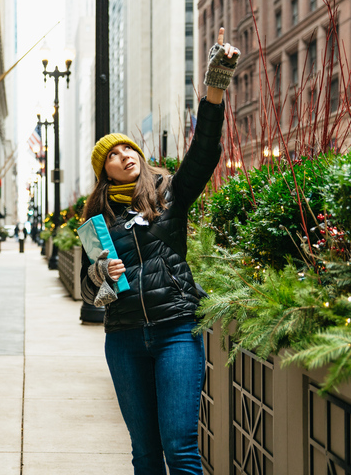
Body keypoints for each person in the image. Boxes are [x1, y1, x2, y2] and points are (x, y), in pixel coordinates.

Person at [79, 28, 239, 475]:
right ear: (104, 172)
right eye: (114, 154)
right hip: (124, 336)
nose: (126, 154)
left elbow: (203, 153)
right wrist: (98, 276)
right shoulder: (98, 222)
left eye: (129, 147)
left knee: (180, 446)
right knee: (145, 452)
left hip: (174, 332)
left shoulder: (170, 194)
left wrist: (215, 84)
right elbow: (89, 295)